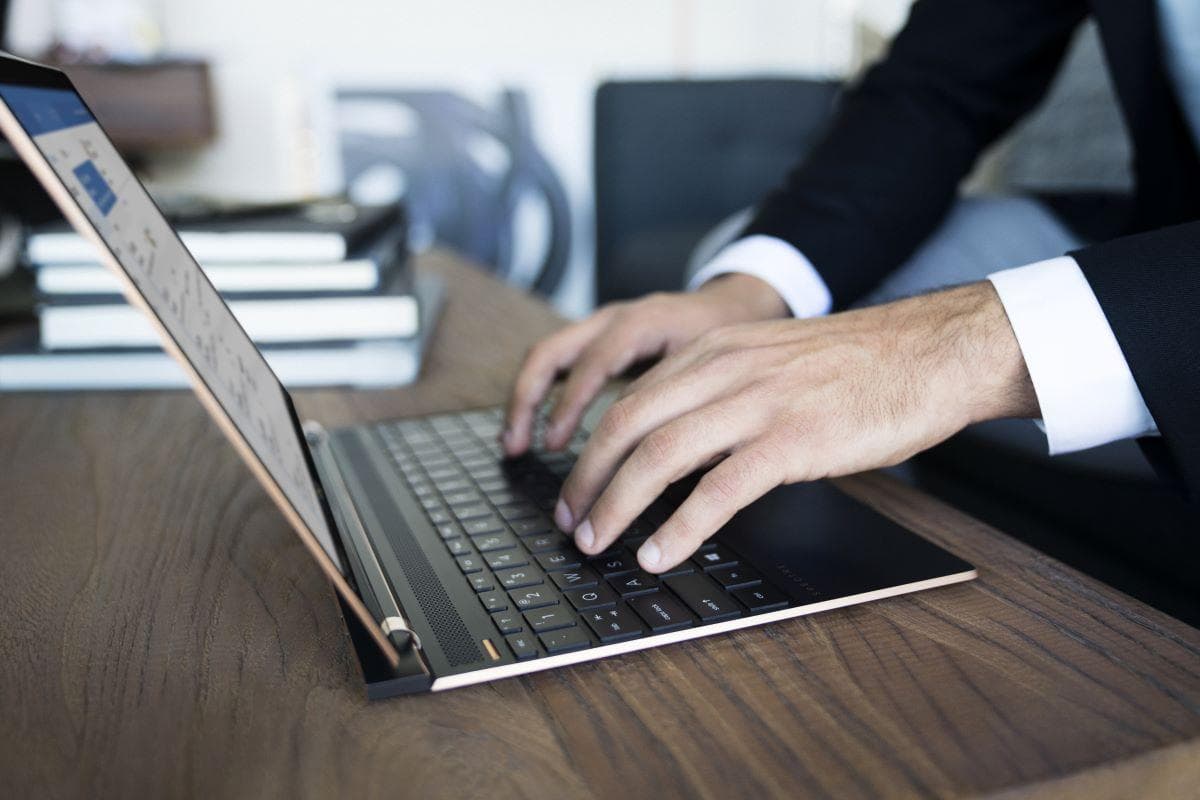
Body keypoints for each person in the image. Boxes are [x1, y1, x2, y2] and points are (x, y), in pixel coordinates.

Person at [504, 0, 1200, 576]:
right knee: (751, 275)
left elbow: (951, 344)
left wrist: (953, 346)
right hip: (1161, 224)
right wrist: (744, 294)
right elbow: (940, 84)